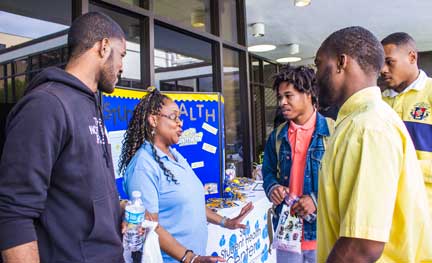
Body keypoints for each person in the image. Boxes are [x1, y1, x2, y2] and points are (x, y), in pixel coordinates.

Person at [0, 12, 126, 262]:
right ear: (103, 46)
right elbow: (13, 214)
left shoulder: (90, 103)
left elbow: (78, 192)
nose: (122, 66)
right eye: (122, 55)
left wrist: (119, 212)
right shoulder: (46, 105)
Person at [315, 26, 432, 262]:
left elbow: (361, 246)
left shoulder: (367, 127)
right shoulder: (365, 119)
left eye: (318, 65)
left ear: (341, 62)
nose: (315, 75)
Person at [118, 88, 254, 263]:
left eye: (180, 117)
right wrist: (190, 258)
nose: (180, 123)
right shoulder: (143, 166)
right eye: (174, 117)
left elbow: (192, 203)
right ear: (153, 120)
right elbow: (150, 227)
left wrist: (226, 222)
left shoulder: (175, 155)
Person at [262, 65, 333, 263]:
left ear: (308, 94)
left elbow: (345, 181)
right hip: (286, 235)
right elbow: (267, 172)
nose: (282, 102)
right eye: (279, 97)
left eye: (288, 96)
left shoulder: (333, 132)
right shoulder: (276, 136)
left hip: (324, 234)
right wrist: (273, 187)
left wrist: (317, 201)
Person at [380, 32, 432, 214]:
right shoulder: (378, 102)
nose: (383, 69)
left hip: (425, 213)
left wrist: (403, 167)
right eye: (381, 64)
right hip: (389, 213)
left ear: (412, 57)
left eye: (389, 62)